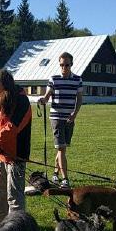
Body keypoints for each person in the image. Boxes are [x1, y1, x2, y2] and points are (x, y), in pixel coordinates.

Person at [0, 69, 32, 223]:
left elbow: (13, 128)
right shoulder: (1, 100)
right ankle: (1, 227)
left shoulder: (22, 101)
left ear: (4, 84)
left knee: (14, 197)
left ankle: (17, 230)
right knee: (0, 195)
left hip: (16, 155)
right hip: (1, 155)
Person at [38, 51, 83, 188]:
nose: (64, 68)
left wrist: (74, 114)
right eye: (61, 65)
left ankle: (56, 173)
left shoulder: (78, 80)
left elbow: (79, 99)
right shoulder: (53, 79)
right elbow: (47, 96)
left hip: (69, 118)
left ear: (71, 65)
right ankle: (65, 179)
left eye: (67, 65)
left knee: (62, 148)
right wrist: (43, 100)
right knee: (61, 148)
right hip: (56, 118)